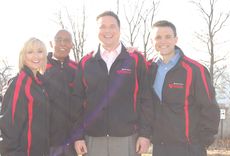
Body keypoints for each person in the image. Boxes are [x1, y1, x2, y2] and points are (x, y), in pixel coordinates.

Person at [72, 11, 153, 156]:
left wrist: (145, 134)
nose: (107, 31)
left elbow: (146, 99)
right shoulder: (86, 62)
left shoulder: (135, 59)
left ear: (119, 30)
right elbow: (77, 103)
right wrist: (77, 136)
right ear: (96, 31)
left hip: (127, 138)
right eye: (102, 27)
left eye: (112, 26)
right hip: (93, 139)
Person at [148, 20, 220, 156]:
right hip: (159, 147)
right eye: (158, 37)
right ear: (152, 41)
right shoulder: (148, 69)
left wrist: (202, 142)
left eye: (168, 36)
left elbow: (210, 108)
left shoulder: (195, 70)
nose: (163, 41)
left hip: (190, 148)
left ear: (176, 39)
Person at [0, 37, 49, 156]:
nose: (36, 56)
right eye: (30, 52)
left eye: (40, 51)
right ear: (23, 56)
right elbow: (9, 124)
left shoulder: (40, 83)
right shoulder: (20, 83)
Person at [43, 29, 78, 156]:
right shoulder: (39, 68)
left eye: (67, 40)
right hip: (46, 142)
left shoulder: (77, 69)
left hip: (71, 142)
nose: (63, 43)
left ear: (72, 45)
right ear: (51, 43)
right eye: (58, 40)